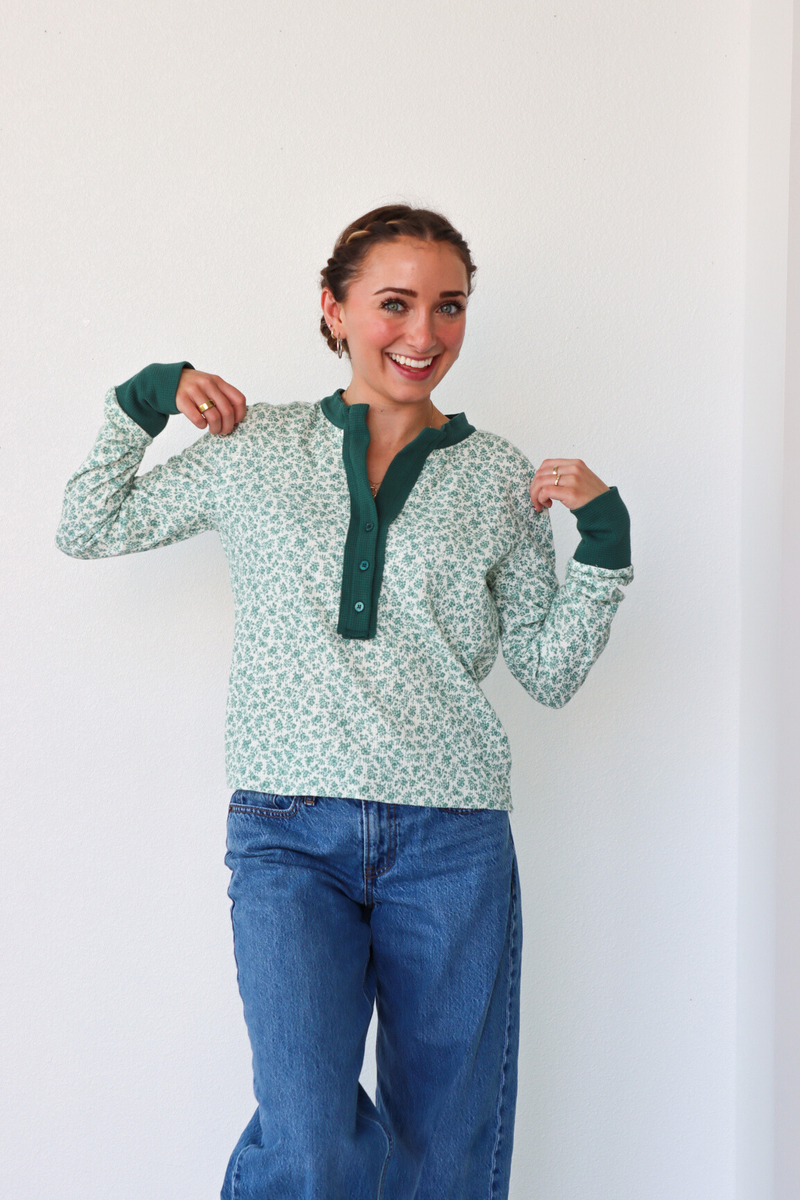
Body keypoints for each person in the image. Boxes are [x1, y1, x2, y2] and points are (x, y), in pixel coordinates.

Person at [56, 204, 633, 1200]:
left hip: (451, 835)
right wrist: (145, 398)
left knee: (445, 1143)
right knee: (308, 1138)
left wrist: (605, 541)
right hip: (287, 830)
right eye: (394, 303)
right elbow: (87, 525)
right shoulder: (253, 447)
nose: (423, 333)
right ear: (333, 309)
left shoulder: (499, 475)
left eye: (449, 306)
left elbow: (547, 672)